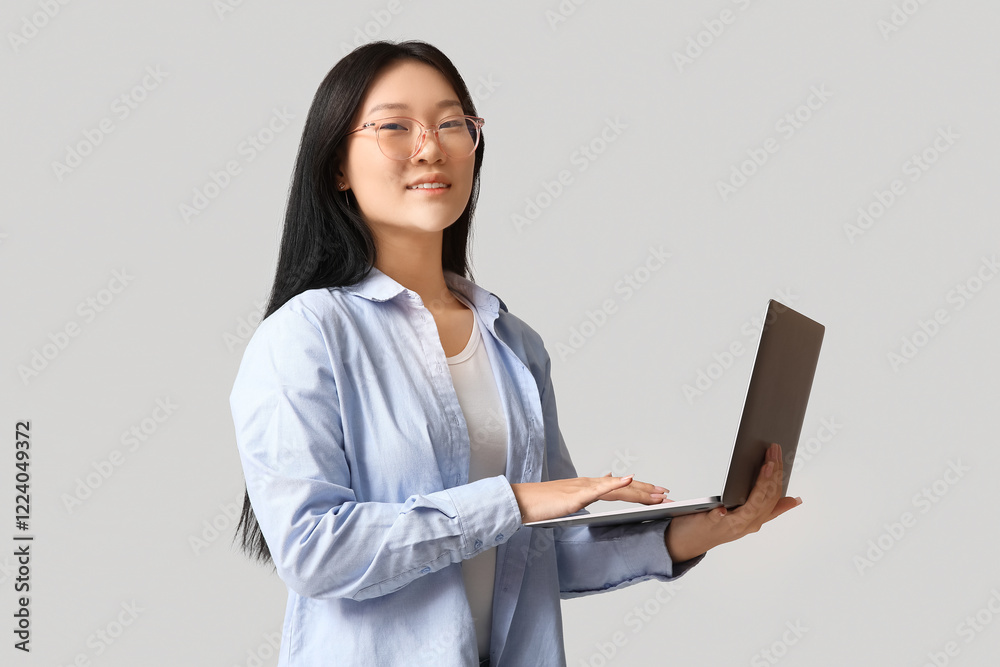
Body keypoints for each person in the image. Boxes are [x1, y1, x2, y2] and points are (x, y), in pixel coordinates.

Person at [229, 40, 801, 667]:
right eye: (395, 126)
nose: (430, 147)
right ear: (337, 164)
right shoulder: (306, 336)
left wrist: (716, 527)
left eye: (453, 124)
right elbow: (313, 550)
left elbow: (547, 551)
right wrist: (514, 500)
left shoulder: (513, 343)